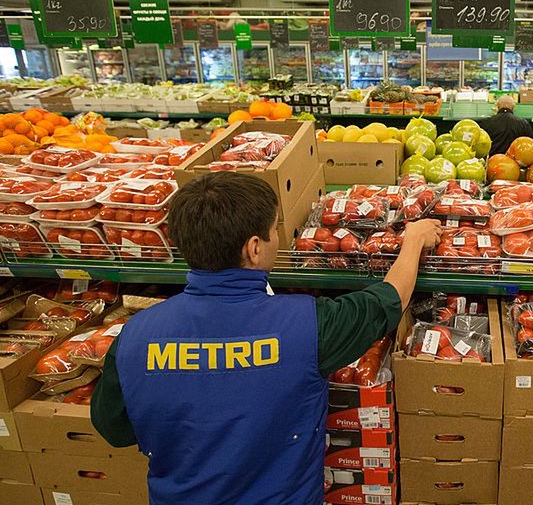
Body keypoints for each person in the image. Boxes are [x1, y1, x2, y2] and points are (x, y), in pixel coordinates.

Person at [91, 172, 441, 504]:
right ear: (254, 248)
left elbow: (114, 429)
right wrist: (413, 241)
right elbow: (388, 301)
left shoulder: (134, 336)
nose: (278, 237)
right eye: (275, 229)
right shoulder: (307, 325)